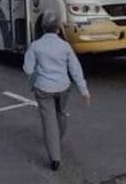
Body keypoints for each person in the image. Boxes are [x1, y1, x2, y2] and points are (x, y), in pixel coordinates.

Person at [23, 11, 90, 171]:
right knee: (60, 112)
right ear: (58, 29)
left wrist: (34, 80)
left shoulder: (35, 46)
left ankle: (55, 158)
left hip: (43, 88)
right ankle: (58, 137)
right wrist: (84, 90)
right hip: (63, 88)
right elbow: (75, 69)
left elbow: (28, 68)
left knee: (49, 122)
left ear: (43, 28)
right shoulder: (65, 46)